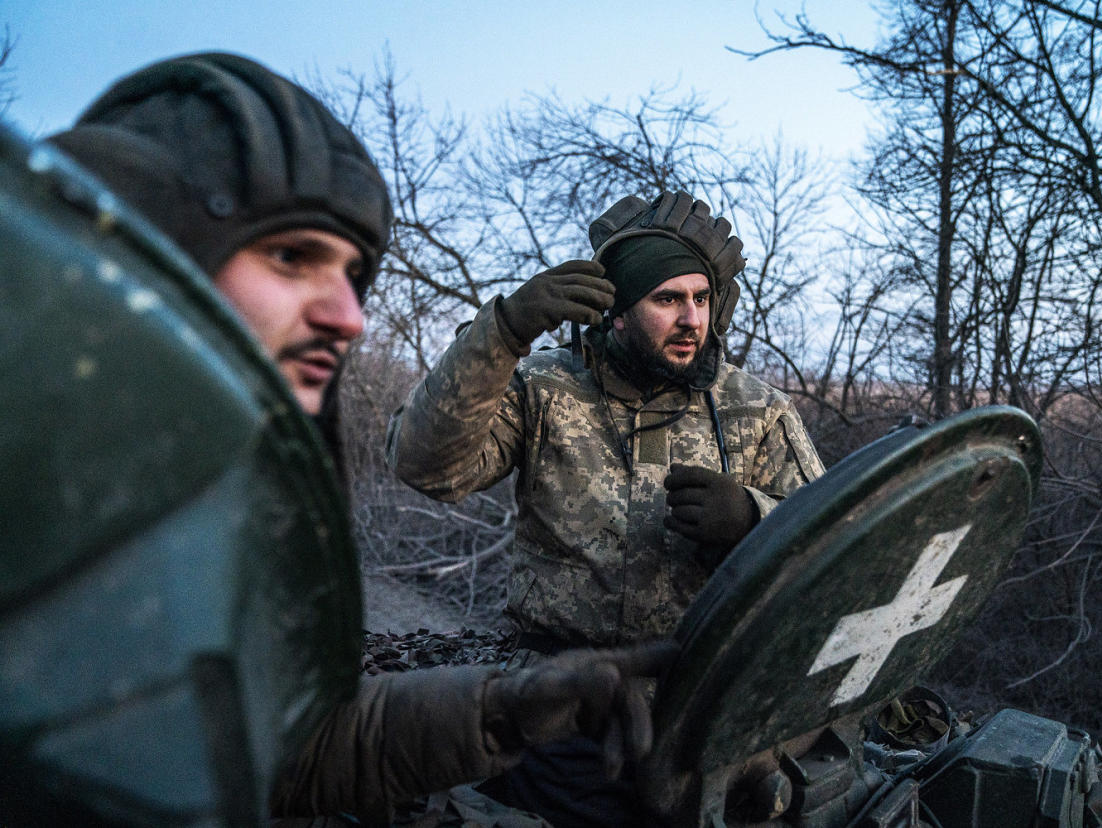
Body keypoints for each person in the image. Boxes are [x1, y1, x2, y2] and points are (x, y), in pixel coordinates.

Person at [45, 52, 673, 826]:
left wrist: (502, 712)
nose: (349, 316)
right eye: (290, 256)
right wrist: (505, 330)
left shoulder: (205, 501)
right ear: (143, 245)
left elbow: (287, 751)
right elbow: (427, 462)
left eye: (352, 273)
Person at [386, 191, 825, 654]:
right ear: (617, 315)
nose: (692, 319)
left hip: (700, 688)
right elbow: (426, 466)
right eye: (667, 299)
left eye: (701, 298)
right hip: (553, 682)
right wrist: (503, 329)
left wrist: (755, 517)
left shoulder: (757, 409)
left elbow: (837, 541)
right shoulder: (544, 388)